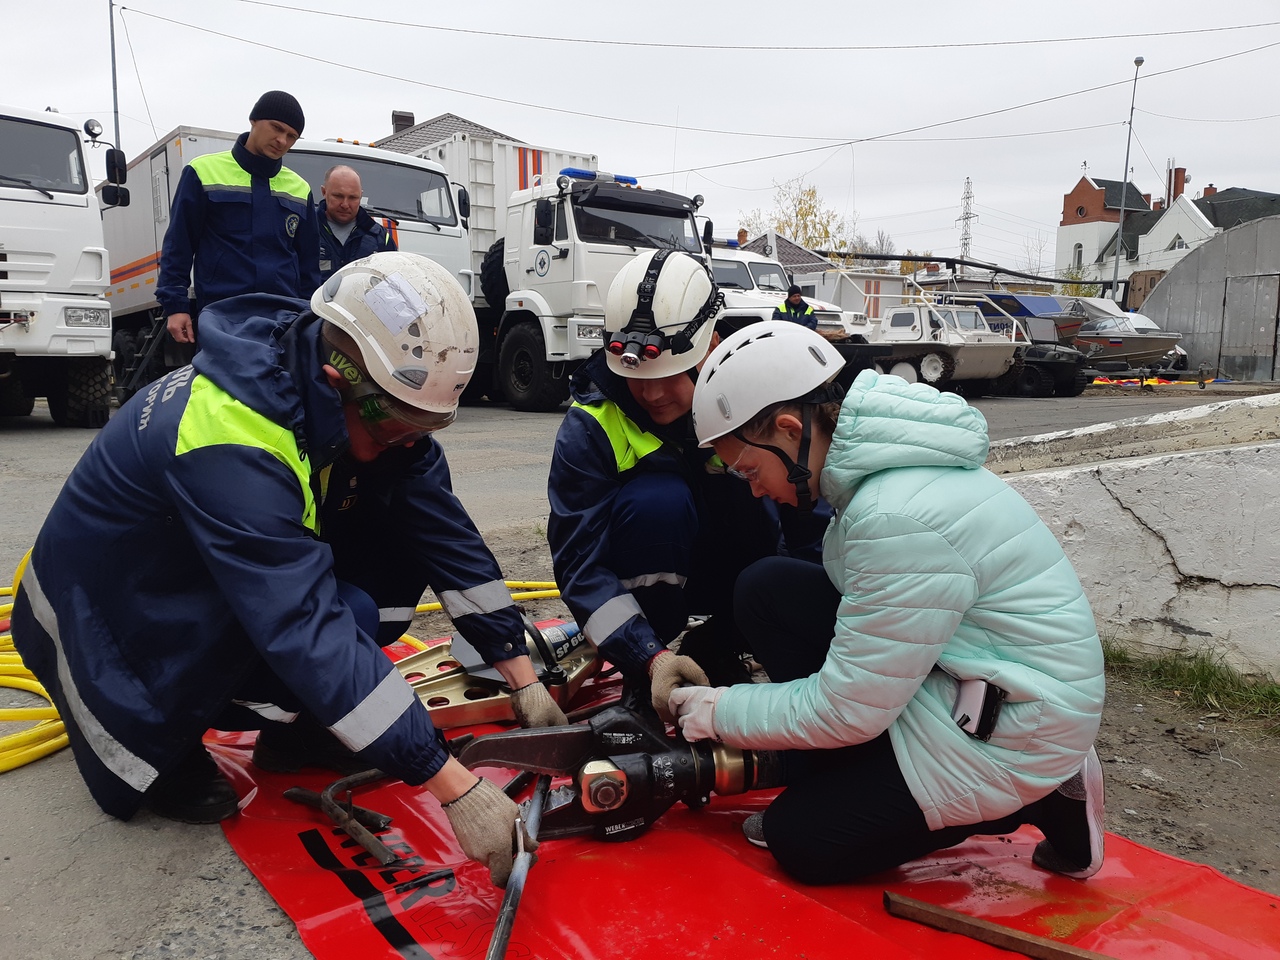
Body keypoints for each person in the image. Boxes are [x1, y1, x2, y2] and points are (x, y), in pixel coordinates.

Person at [11, 252, 565, 889]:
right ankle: (172, 743)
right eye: (401, 422)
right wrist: (451, 785)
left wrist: (519, 674)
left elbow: (447, 535)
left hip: (187, 574)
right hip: (107, 611)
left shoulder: (355, 401)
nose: (413, 440)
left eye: (428, 424)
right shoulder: (230, 436)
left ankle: (295, 731)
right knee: (251, 663)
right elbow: (298, 619)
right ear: (337, 378)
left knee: (362, 593)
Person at [672, 320, 1106, 885]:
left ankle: (1043, 795)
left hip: (1017, 726)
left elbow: (847, 708)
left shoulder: (893, 515)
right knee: (766, 589)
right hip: (966, 673)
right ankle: (854, 772)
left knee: (802, 840)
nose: (753, 489)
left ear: (787, 429)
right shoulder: (880, 466)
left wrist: (718, 711)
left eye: (750, 470)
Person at [547, 250, 827, 722]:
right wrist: (648, 658)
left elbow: (810, 520)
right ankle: (652, 670)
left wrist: (785, 629)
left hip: (746, 578)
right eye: (637, 378)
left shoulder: (754, 397)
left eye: (671, 375)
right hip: (656, 590)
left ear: (711, 345)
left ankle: (728, 642)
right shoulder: (591, 425)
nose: (653, 394)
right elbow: (581, 568)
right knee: (657, 502)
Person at [157, 90, 323, 347]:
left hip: (285, 316)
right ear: (254, 120)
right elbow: (179, 244)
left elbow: (308, 264)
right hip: (221, 314)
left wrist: (310, 316)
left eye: (292, 136)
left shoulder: (300, 188)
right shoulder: (202, 171)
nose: (282, 140)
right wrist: (175, 306)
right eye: (276, 128)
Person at [318, 165, 397, 281]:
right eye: (338, 196)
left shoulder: (380, 238)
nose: (345, 204)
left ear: (361, 196)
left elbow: (391, 284)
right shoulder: (304, 229)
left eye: (353, 198)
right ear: (324, 192)